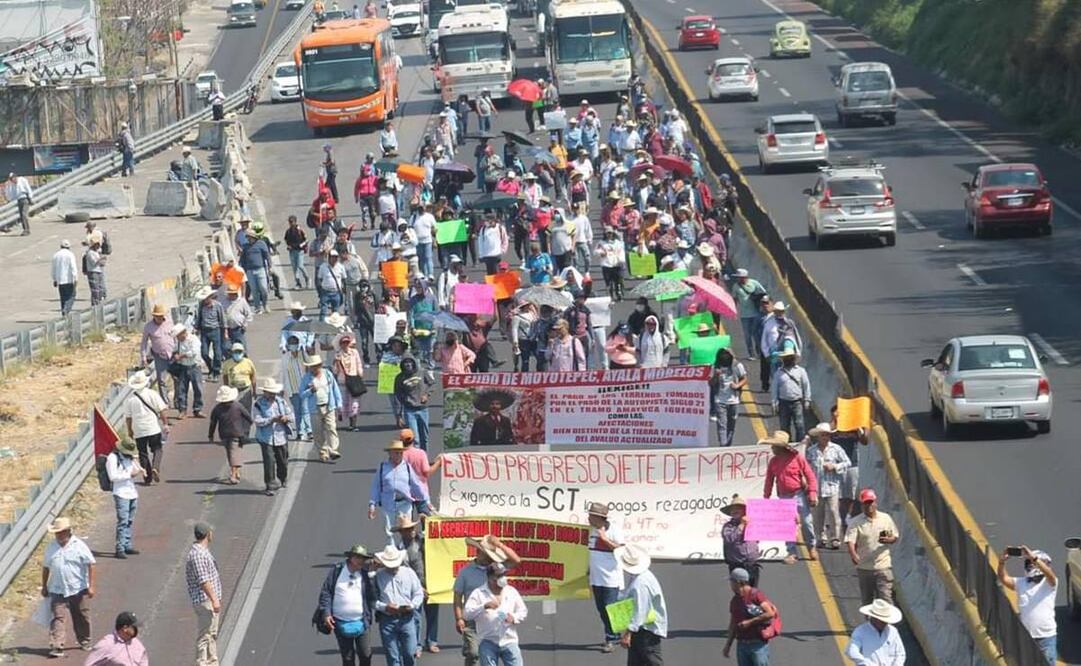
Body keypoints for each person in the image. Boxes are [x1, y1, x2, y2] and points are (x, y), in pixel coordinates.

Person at [453, 535, 522, 666]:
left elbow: (516, 560)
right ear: (478, 553)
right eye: (487, 554)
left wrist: (500, 545)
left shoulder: (496, 568)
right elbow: (457, 597)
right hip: (473, 619)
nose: (490, 557)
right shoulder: (465, 572)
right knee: (473, 653)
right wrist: (459, 618)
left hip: (494, 621)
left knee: (496, 651)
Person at [40, 517, 95, 657]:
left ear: (68, 531)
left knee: (81, 615)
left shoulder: (79, 545)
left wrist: (91, 586)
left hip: (78, 588)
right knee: (58, 617)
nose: (58, 535)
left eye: (61, 532)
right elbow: (46, 567)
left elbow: (91, 564)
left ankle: (85, 640)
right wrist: (44, 586)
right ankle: (57, 645)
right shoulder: (51, 547)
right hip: (57, 588)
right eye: (56, 532)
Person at [761, 430, 818, 564]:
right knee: (787, 526)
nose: (772, 448)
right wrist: (766, 497)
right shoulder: (773, 462)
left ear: (781, 447)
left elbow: (810, 476)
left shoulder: (797, 458)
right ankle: (791, 552)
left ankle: (811, 546)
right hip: (784, 496)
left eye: (774, 446)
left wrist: (812, 492)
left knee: (807, 522)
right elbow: (769, 480)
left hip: (798, 494)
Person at [318, 543, 376, 666]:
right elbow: (326, 593)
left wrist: (371, 576)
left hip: (362, 622)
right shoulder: (337, 571)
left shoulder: (365, 574)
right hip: (340, 622)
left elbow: (373, 596)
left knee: (366, 655)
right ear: (351, 558)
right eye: (359, 557)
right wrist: (327, 614)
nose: (362, 561)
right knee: (348, 658)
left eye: (364, 558)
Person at [998, 545, 1057, 663]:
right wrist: (1002, 562)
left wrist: (1034, 558)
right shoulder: (1021, 583)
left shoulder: (1049, 583)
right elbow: (1003, 578)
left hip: (1046, 637)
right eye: (1029, 562)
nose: (1031, 565)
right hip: (1026, 637)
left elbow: (1050, 575)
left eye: (1033, 563)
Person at [463, 562, 527, 666]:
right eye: (499, 576)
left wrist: (514, 617)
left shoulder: (511, 591)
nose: (503, 578)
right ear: (490, 577)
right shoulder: (479, 593)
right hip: (487, 641)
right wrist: (484, 606)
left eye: (504, 574)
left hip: (509, 640)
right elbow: (466, 614)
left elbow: (523, 610)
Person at [391, 516, 439, 654]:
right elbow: (406, 572)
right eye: (407, 529)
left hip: (431, 582)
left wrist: (425, 522)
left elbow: (436, 538)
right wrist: (419, 588)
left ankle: (432, 641)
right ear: (401, 532)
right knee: (416, 617)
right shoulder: (400, 550)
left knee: (433, 615)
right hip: (413, 587)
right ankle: (416, 645)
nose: (411, 531)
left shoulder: (422, 540)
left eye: (412, 528)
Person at [369, 441, 431, 546]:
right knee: (389, 530)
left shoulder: (407, 467)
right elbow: (376, 486)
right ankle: (391, 550)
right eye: (396, 453)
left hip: (404, 503)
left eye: (401, 453)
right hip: (388, 503)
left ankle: (404, 549)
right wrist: (372, 504)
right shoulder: (383, 467)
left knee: (406, 528)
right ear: (390, 453)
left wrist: (426, 500)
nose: (399, 455)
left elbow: (416, 484)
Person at [615, 544, 668, 666]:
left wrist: (628, 634)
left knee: (652, 661)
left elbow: (640, 611)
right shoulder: (642, 576)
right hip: (642, 628)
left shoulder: (640, 584)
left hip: (646, 630)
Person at [845, 488, 899, 605]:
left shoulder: (885, 518)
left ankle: (887, 617)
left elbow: (894, 536)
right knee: (867, 600)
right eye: (866, 503)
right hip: (864, 567)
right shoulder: (856, 522)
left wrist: (889, 540)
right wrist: (853, 555)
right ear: (862, 505)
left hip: (883, 566)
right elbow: (850, 541)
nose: (868, 506)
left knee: (886, 598)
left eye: (870, 502)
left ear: (875, 503)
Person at [373, 545, 425, 666]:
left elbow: (418, 593)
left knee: (410, 652)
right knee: (392, 656)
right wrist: (385, 607)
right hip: (387, 619)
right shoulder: (378, 576)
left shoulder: (409, 573)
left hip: (407, 618)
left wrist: (412, 605)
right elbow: (372, 600)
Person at [805, 423, 851, 551]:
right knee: (817, 515)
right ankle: (820, 537)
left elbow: (847, 462)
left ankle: (835, 538)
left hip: (832, 487)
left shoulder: (836, 449)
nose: (825, 438)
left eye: (827, 435)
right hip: (817, 487)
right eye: (823, 435)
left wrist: (835, 466)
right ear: (818, 436)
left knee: (833, 512)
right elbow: (806, 467)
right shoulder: (811, 451)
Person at [585, 503, 624, 653]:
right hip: (596, 577)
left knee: (610, 608)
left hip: (611, 578)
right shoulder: (591, 531)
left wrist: (604, 539)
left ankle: (611, 638)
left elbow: (621, 550)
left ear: (599, 517)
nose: (588, 518)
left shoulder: (614, 530)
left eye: (591, 516)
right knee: (602, 609)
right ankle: (615, 634)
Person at [722, 567, 779, 666]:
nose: (730, 585)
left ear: (739, 582)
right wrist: (728, 645)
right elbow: (733, 624)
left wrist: (750, 622)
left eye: (732, 581)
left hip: (757, 645)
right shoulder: (735, 601)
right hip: (742, 645)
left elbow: (770, 613)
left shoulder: (755, 595)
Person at [185, 521, 222, 666]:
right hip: (205, 600)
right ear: (207, 534)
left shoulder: (202, 552)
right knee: (205, 634)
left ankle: (212, 662)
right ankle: (201, 662)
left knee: (211, 633)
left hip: (209, 599)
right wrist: (214, 599)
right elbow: (203, 580)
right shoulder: (198, 555)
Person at [124, 370, 168, 486]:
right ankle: (155, 467)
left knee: (143, 453)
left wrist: (130, 431)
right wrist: (165, 424)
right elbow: (162, 410)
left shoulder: (130, 399)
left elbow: (128, 418)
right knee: (157, 449)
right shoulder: (152, 394)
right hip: (152, 427)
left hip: (139, 430)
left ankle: (147, 477)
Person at [252, 378, 294, 496]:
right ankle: (270, 485)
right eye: (270, 393)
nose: (272, 395)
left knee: (283, 460)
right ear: (265, 392)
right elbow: (257, 421)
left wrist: (286, 418)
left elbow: (291, 415)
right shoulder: (258, 404)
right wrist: (271, 420)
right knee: (269, 462)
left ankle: (282, 478)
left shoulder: (281, 402)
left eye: (273, 393)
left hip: (281, 436)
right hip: (266, 438)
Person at [831, 404, 869, 530]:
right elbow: (826, 434)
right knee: (839, 495)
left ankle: (848, 518)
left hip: (852, 464)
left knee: (851, 495)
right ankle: (840, 520)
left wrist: (859, 427)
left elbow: (865, 440)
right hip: (837, 465)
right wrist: (835, 422)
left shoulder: (854, 428)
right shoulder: (832, 428)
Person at [106, 438, 143, 559]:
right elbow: (113, 477)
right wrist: (129, 474)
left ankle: (127, 544)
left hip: (132, 492)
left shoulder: (129, 458)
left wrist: (137, 466)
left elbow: (136, 469)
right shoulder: (112, 458)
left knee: (129, 520)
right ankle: (120, 548)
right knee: (123, 521)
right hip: (121, 493)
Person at [207, 385, 252, 485]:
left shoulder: (217, 408)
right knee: (233, 453)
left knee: (232, 453)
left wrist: (210, 435)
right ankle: (235, 473)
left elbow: (213, 423)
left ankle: (234, 473)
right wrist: (246, 428)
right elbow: (248, 417)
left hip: (225, 434)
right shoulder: (237, 406)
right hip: (236, 433)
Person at [300, 355, 342, 462]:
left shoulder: (327, 374)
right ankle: (323, 452)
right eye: (312, 367)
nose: (314, 369)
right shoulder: (306, 378)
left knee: (331, 428)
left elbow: (335, 388)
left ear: (320, 365)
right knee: (317, 432)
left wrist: (339, 404)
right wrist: (310, 391)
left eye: (316, 366)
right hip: (315, 409)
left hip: (328, 406)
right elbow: (301, 394)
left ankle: (333, 449)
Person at [845, 599, 906, 666]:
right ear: (874, 618)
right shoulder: (860, 631)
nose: (885, 623)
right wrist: (867, 663)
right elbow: (851, 651)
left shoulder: (893, 631)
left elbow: (900, 653)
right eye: (882, 621)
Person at [770, 349, 810, 442]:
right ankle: (787, 444)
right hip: (783, 402)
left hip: (797, 402)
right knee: (784, 426)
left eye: (789, 358)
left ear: (793, 359)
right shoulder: (779, 373)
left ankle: (800, 444)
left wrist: (807, 399)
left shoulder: (801, 371)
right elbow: (774, 388)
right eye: (786, 358)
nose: (788, 360)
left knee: (799, 425)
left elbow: (806, 385)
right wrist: (774, 402)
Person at [720, 495, 761, 586]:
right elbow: (730, 539)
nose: (735, 511)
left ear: (744, 511)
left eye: (738, 508)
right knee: (741, 591)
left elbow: (758, 539)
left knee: (753, 590)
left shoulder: (753, 524)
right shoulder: (728, 526)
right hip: (737, 565)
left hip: (752, 565)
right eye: (733, 509)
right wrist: (742, 525)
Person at [394, 357, 433, 450]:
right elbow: (397, 396)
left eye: (410, 362)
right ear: (402, 365)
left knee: (424, 437)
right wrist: (399, 416)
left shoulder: (422, 372)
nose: (408, 365)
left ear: (414, 363)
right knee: (415, 439)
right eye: (406, 363)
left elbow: (432, 384)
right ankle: (415, 457)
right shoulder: (399, 378)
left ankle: (423, 456)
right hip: (409, 410)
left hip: (423, 409)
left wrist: (426, 395)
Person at [140, 303, 176, 403]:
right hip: (160, 356)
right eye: (158, 316)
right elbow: (144, 342)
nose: (160, 318)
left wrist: (178, 350)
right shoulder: (148, 327)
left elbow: (175, 336)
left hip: (173, 354)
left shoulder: (169, 323)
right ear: (154, 316)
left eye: (161, 316)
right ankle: (165, 401)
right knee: (162, 380)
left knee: (177, 378)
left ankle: (177, 399)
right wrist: (143, 357)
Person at [711, 348, 747, 447]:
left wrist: (737, 385)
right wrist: (716, 376)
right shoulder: (715, 367)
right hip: (720, 400)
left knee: (731, 425)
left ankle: (728, 445)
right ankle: (723, 447)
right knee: (722, 425)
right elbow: (711, 383)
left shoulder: (737, 366)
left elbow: (744, 379)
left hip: (734, 401)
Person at [195, 286, 227, 381]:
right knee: (204, 353)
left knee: (217, 353)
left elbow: (222, 319)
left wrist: (225, 332)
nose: (205, 300)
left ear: (210, 297)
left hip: (215, 330)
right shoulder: (201, 305)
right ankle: (211, 368)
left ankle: (216, 371)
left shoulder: (218, 305)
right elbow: (199, 317)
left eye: (207, 298)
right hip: (204, 331)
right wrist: (197, 327)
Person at [732, 269, 766, 359]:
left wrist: (760, 302)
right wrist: (734, 311)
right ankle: (751, 354)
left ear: (745, 277)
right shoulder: (736, 286)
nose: (738, 279)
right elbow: (734, 299)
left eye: (740, 277)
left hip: (756, 313)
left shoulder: (754, 283)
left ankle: (759, 352)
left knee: (756, 334)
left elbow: (764, 294)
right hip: (744, 315)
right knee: (747, 335)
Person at [335, 335, 365, 432]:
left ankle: (353, 423)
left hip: (354, 378)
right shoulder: (338, 355)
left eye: (347, 342)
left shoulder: (354, 352)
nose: (345, 344)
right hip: (343, 381)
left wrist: (360, 373)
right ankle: (341, 414)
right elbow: (335, 371)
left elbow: (359, 363)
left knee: (354, 402)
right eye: (343, 343)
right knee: (344, 401)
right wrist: (336, 362)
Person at [222, 341, 257, 412]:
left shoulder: (248, 363)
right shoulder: (227, 364)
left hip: (245, 390)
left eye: (239, 352)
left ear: (243, 352)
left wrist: (254, 391)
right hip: (233, 390)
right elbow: (225, 377)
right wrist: (227, 389)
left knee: (246, 411)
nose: (237, 353)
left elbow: (253, 376)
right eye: (235, 352)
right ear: (232, 353)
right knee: (234, 410)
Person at [51, 240, 78, 314]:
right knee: (71, 296)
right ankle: (66, 310)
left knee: (63, 298)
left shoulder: (56, 255)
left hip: (60, 280)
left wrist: (54, 279)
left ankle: (64, 313)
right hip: (69, 280)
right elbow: (73, 267)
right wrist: (75, 278)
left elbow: (53, 268)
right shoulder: (70, 255)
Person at [5, 171, 33, 235]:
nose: (13, 180)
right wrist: (8, 187)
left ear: (15, 177)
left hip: (25, 198)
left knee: (24, 214)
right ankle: (25, 229)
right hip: (19, 200)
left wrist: (30, 197)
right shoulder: (12, 185)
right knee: (21, 216)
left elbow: (28, 188)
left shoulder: (22, 180)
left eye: (13, 178)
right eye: (11, 179)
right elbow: (11, 195)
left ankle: (26, 230)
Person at [84, 231, 108, 305]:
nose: (98, 246)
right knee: (95, 290)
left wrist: (102, 260)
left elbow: (101, 263)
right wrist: (101, 259)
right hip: (93, 272)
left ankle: (99, 302)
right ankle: (95, 304)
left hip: (98, 271)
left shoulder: (96, 252)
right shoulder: (90, 253)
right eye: (97, 245)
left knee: (100, 288)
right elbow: (94, 262)